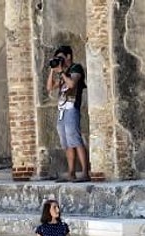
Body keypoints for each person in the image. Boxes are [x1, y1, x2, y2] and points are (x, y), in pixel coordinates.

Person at [45, 45, 90, 183]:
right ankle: (71, 173)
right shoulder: (62, 72)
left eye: (61, 57)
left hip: (72, 108)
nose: (60, 60)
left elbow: (71, 84)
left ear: (69, 56)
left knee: (75, 139)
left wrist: (62, 73)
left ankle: (84, 172)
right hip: (62, 110)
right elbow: (49, 88)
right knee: (66, 142)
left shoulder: (76, 68)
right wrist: (53, 71)